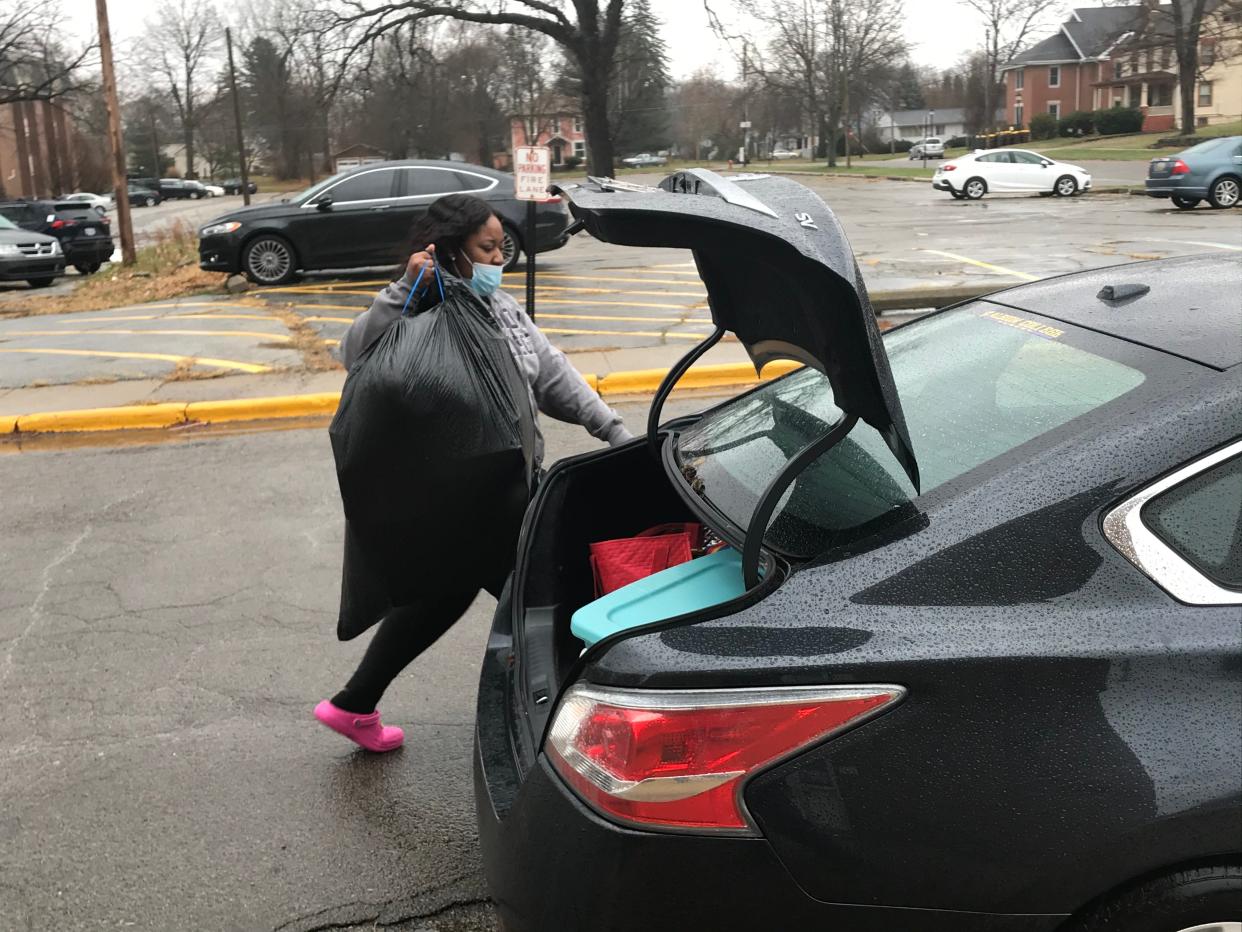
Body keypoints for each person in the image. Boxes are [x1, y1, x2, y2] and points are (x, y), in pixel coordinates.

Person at [315, 193, 632, 752]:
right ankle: (577, 717)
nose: (497, 259)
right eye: (486, 248)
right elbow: (353, 352)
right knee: (551, 589)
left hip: (502, 488)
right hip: (464, 496)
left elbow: (552, 374)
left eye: (502, 247)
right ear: (448, 250)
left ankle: (354, 703)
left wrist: (612, 429)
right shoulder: (417, 307)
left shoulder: (503, 308)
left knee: (450, 592)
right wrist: (403, 290)